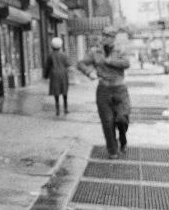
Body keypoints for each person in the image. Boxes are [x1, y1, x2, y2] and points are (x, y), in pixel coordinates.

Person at [78, 25, 131, 159]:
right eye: (104, 35)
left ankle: (123, 137)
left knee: (122, 118)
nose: (105, 38)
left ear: (114, 38)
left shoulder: (120, 49)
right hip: (103, 90)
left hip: (119, 89)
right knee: (107, 121)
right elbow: (81, 63)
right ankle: (112, 150)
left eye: (108, 36)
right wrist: (89, 72)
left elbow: (126, 63)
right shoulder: (95, 51)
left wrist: (109, 61)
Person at [43, 37, 71, 116]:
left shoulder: (50, 55)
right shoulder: (64, 54)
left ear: (52, 45)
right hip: (63, 74)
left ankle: (57, 110)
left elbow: (47, 66)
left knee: (56, 92)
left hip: (54, 75)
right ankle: (65, 109)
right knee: (64, 91)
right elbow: (68, 64)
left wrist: (45, 76)